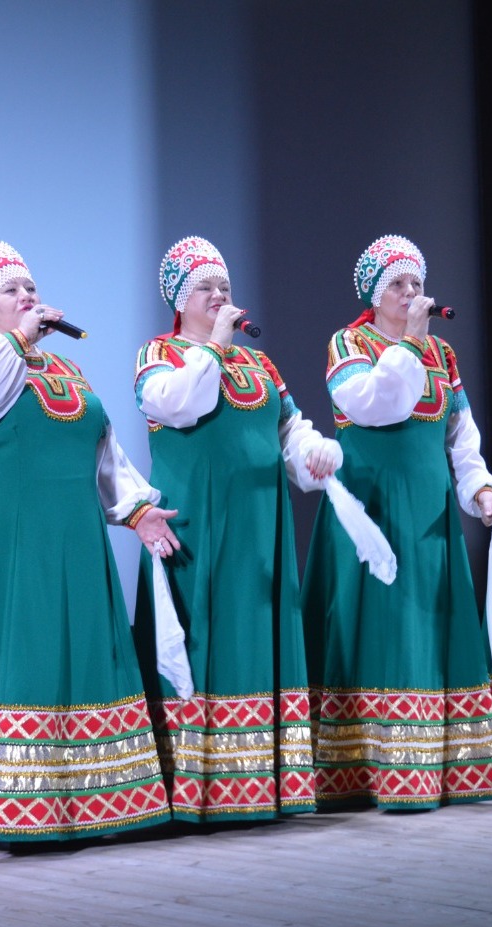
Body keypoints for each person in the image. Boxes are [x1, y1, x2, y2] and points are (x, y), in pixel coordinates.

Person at [0, 239, 173, 843]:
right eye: (11, 289)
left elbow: (102, 450)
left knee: (67, 661)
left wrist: (136, 509)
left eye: (31, 287)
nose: (28, 296)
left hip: (68, 546)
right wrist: (17, 340)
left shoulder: (66, 371)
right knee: (4, 663)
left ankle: (85, 802)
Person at [130, 236, 341, 821]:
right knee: (205, 636)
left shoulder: (259, 364)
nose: (220, 295)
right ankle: (200, 790)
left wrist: (315, 451)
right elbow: (180, 406)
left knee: (259, 631)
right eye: (205, 287)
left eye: (225, 286)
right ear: (179, 299)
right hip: (199, 522)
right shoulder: (158, 355)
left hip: (260, 525)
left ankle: (263, 783)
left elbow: (288, 427)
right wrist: (215, 347)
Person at [301, 234, 492, 810]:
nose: (411, 292)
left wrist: (479, 487)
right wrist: (411, 344)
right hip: (371, 507)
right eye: (397, 283)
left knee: (426, 624)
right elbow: (374, 406)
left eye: (417, 282)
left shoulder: (442, 355)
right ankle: (362, 769)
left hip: (427, 509)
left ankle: (434, 767)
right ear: (374, 293)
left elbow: (460, 436)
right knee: (378, 627)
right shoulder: (348, 344)